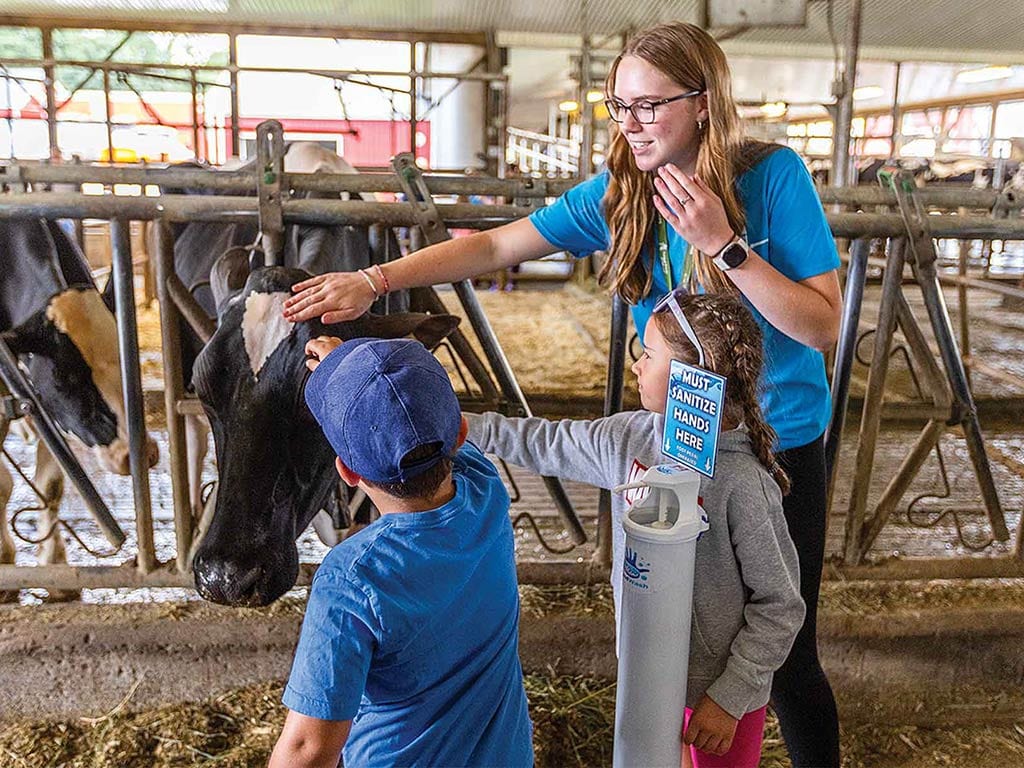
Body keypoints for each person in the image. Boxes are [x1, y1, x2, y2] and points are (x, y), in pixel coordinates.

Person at [282, 21, 842, 767]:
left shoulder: (771, 179)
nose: (632, 124)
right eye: (620, 105)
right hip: (670, 446)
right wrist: (375, 281)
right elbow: (493, 246)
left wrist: (723, 245)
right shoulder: (620, 194)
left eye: (652, 105)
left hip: (772, 444)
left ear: (704, 103)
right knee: (663, 628)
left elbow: (823, 326)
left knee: (786, 654)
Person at [470, 292, 805, 767]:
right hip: (645, 670)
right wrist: (467, 428)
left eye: (648, 355)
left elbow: (781, 604)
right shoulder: (629, 438)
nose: (636, 367)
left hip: (714, 694)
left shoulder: (743, 483)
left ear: (694, 379)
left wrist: (731, 695)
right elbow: (544, 440)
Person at [269, 337, 533, 768]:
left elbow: (309, 748)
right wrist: (351, 371)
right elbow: (431, 432)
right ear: (460, 435)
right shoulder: (486, 489)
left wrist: (348, 379)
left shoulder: (352, 578)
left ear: (347, 472)